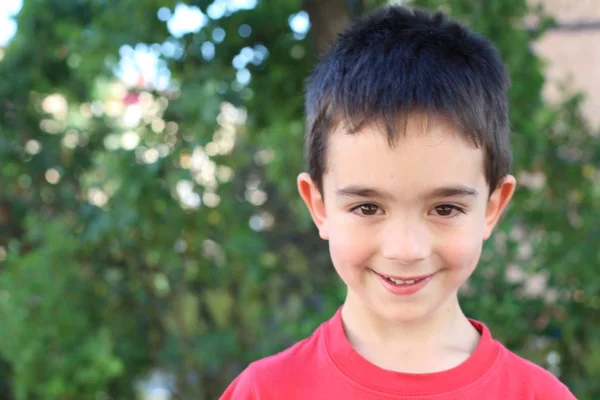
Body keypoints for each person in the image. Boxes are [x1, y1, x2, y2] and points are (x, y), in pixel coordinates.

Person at [220, 5, 576, 399]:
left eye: (445, 209)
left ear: (493, 207)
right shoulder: (265, 391)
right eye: (367, 208)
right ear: (318, 205)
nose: (406, 250)